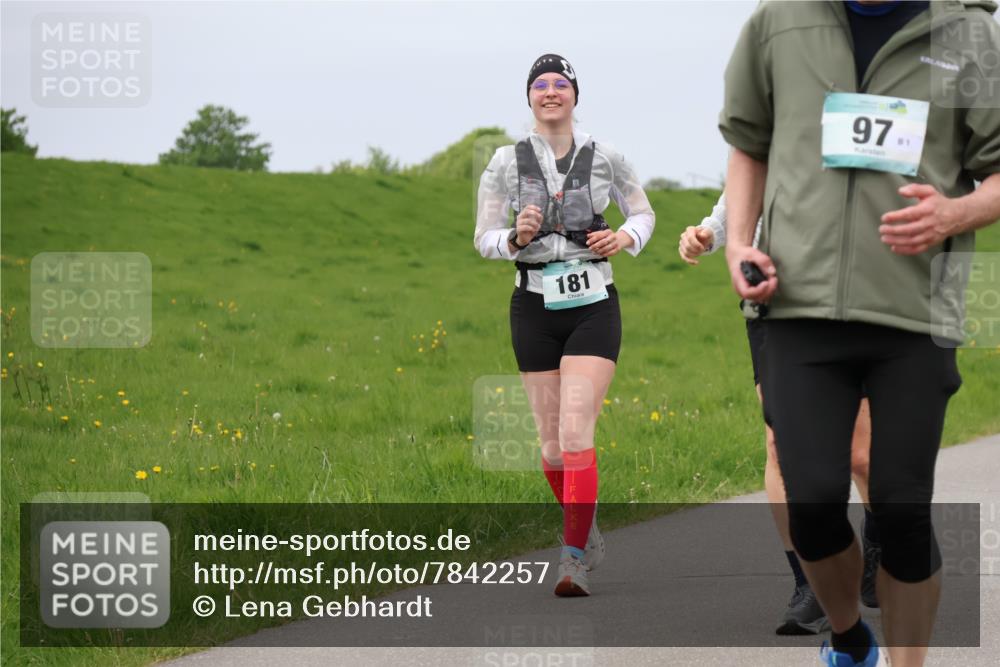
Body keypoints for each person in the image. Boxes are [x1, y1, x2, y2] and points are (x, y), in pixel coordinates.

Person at [720, 1, 1000, 665]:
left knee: (901, 513)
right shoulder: (777, 22)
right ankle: (848, 635)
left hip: (912, 313)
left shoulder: (968, 32)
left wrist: (954, 213)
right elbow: (747, 142)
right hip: (796, 306)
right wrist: (737, 243)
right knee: (812, 501)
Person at [475, 53, 655, 597]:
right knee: (552, 448)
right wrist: (513, 238)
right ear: (529, 96)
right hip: (531, 304)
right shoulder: (504, 163)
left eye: (561, 84)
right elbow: (483, 237)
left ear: (575, 95)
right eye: (540, 84)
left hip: (593, 300)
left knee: (577, 432)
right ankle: (587, 524)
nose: (551, 91)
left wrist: (624, 239)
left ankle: (572, 558)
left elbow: (642, 213)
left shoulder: (608, 157)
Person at [679, 192, 881, 636]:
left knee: (861, 454)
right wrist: (706, 234)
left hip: (847, 298)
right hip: (771, 304)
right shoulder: (766, 130)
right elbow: (738, 199)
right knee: (780, 442)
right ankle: (809, 583)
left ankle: (878, 536)